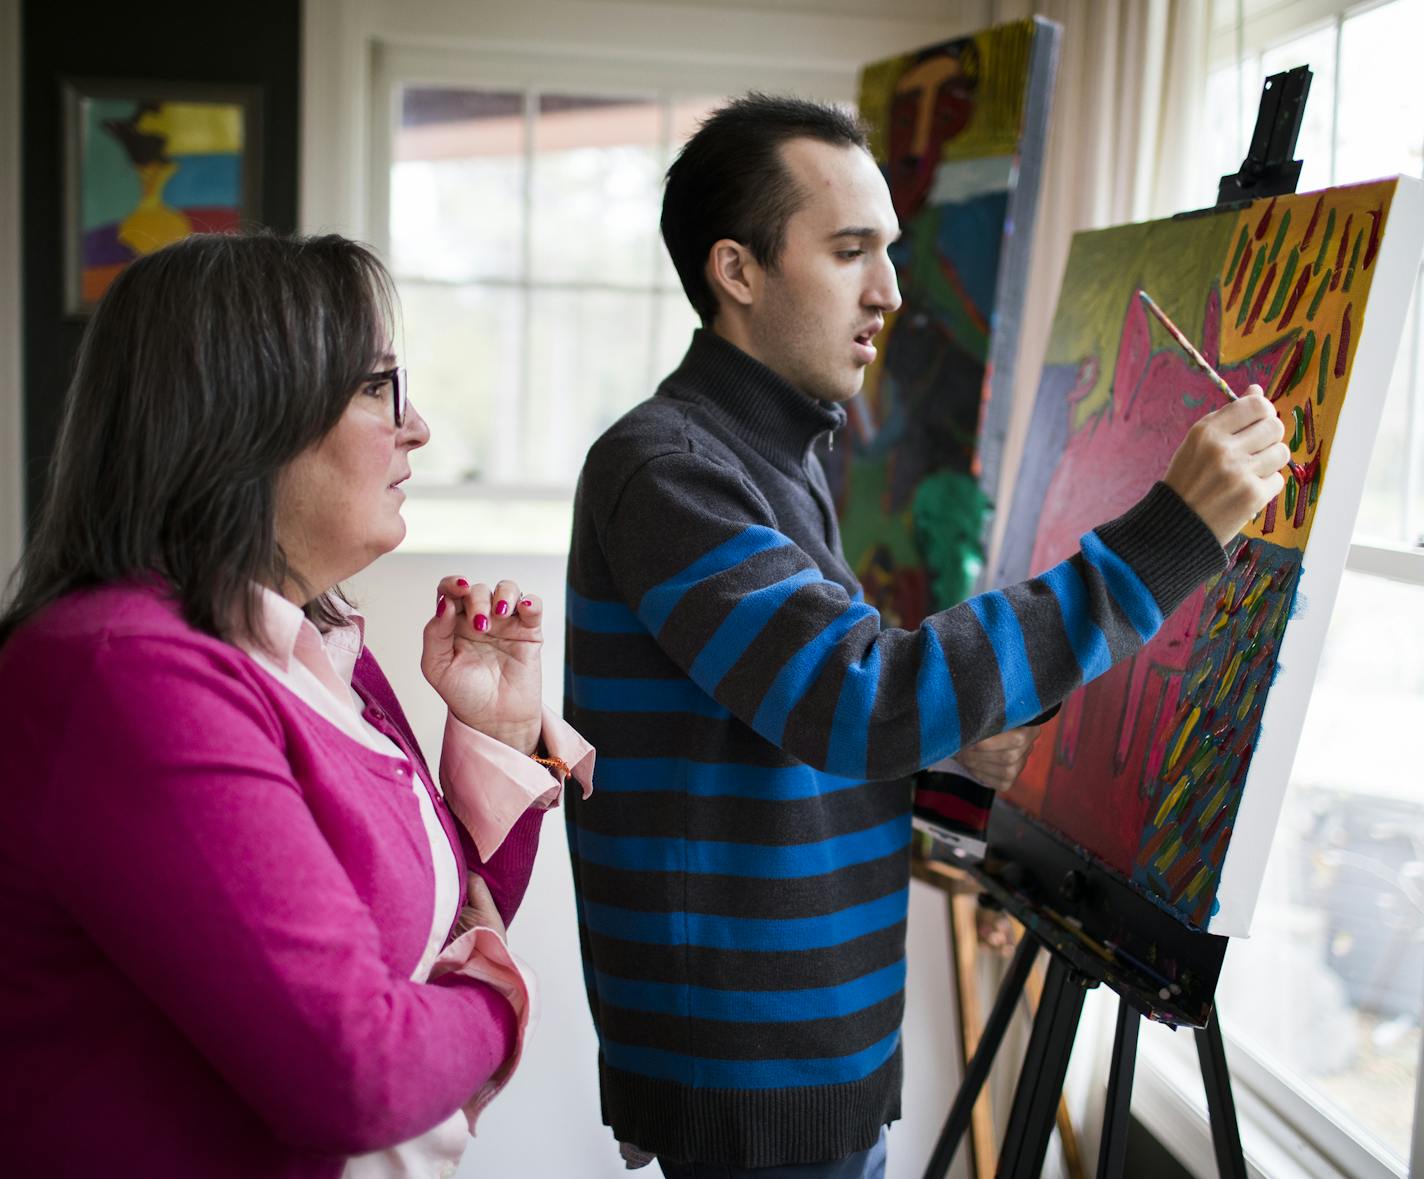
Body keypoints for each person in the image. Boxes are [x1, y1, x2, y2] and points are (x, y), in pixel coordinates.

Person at [563, 94, 1288, 1177]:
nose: (889, 292)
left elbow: (784, 727)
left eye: (889, 251)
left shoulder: (776, 452)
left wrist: (973, 814)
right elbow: (862, 699)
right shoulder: (670, 469)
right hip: (757, 1074)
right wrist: (1168, 538)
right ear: (737, 271)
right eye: (850, 250)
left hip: (804, 1051)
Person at [0, 231, 592, 1178]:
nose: (418, 426)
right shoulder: (128, 671)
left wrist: (495, 730)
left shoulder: (321, 642)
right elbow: (360, 1070)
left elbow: (434, 927)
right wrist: (499, 998)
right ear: (243, 415)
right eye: (377, 387)